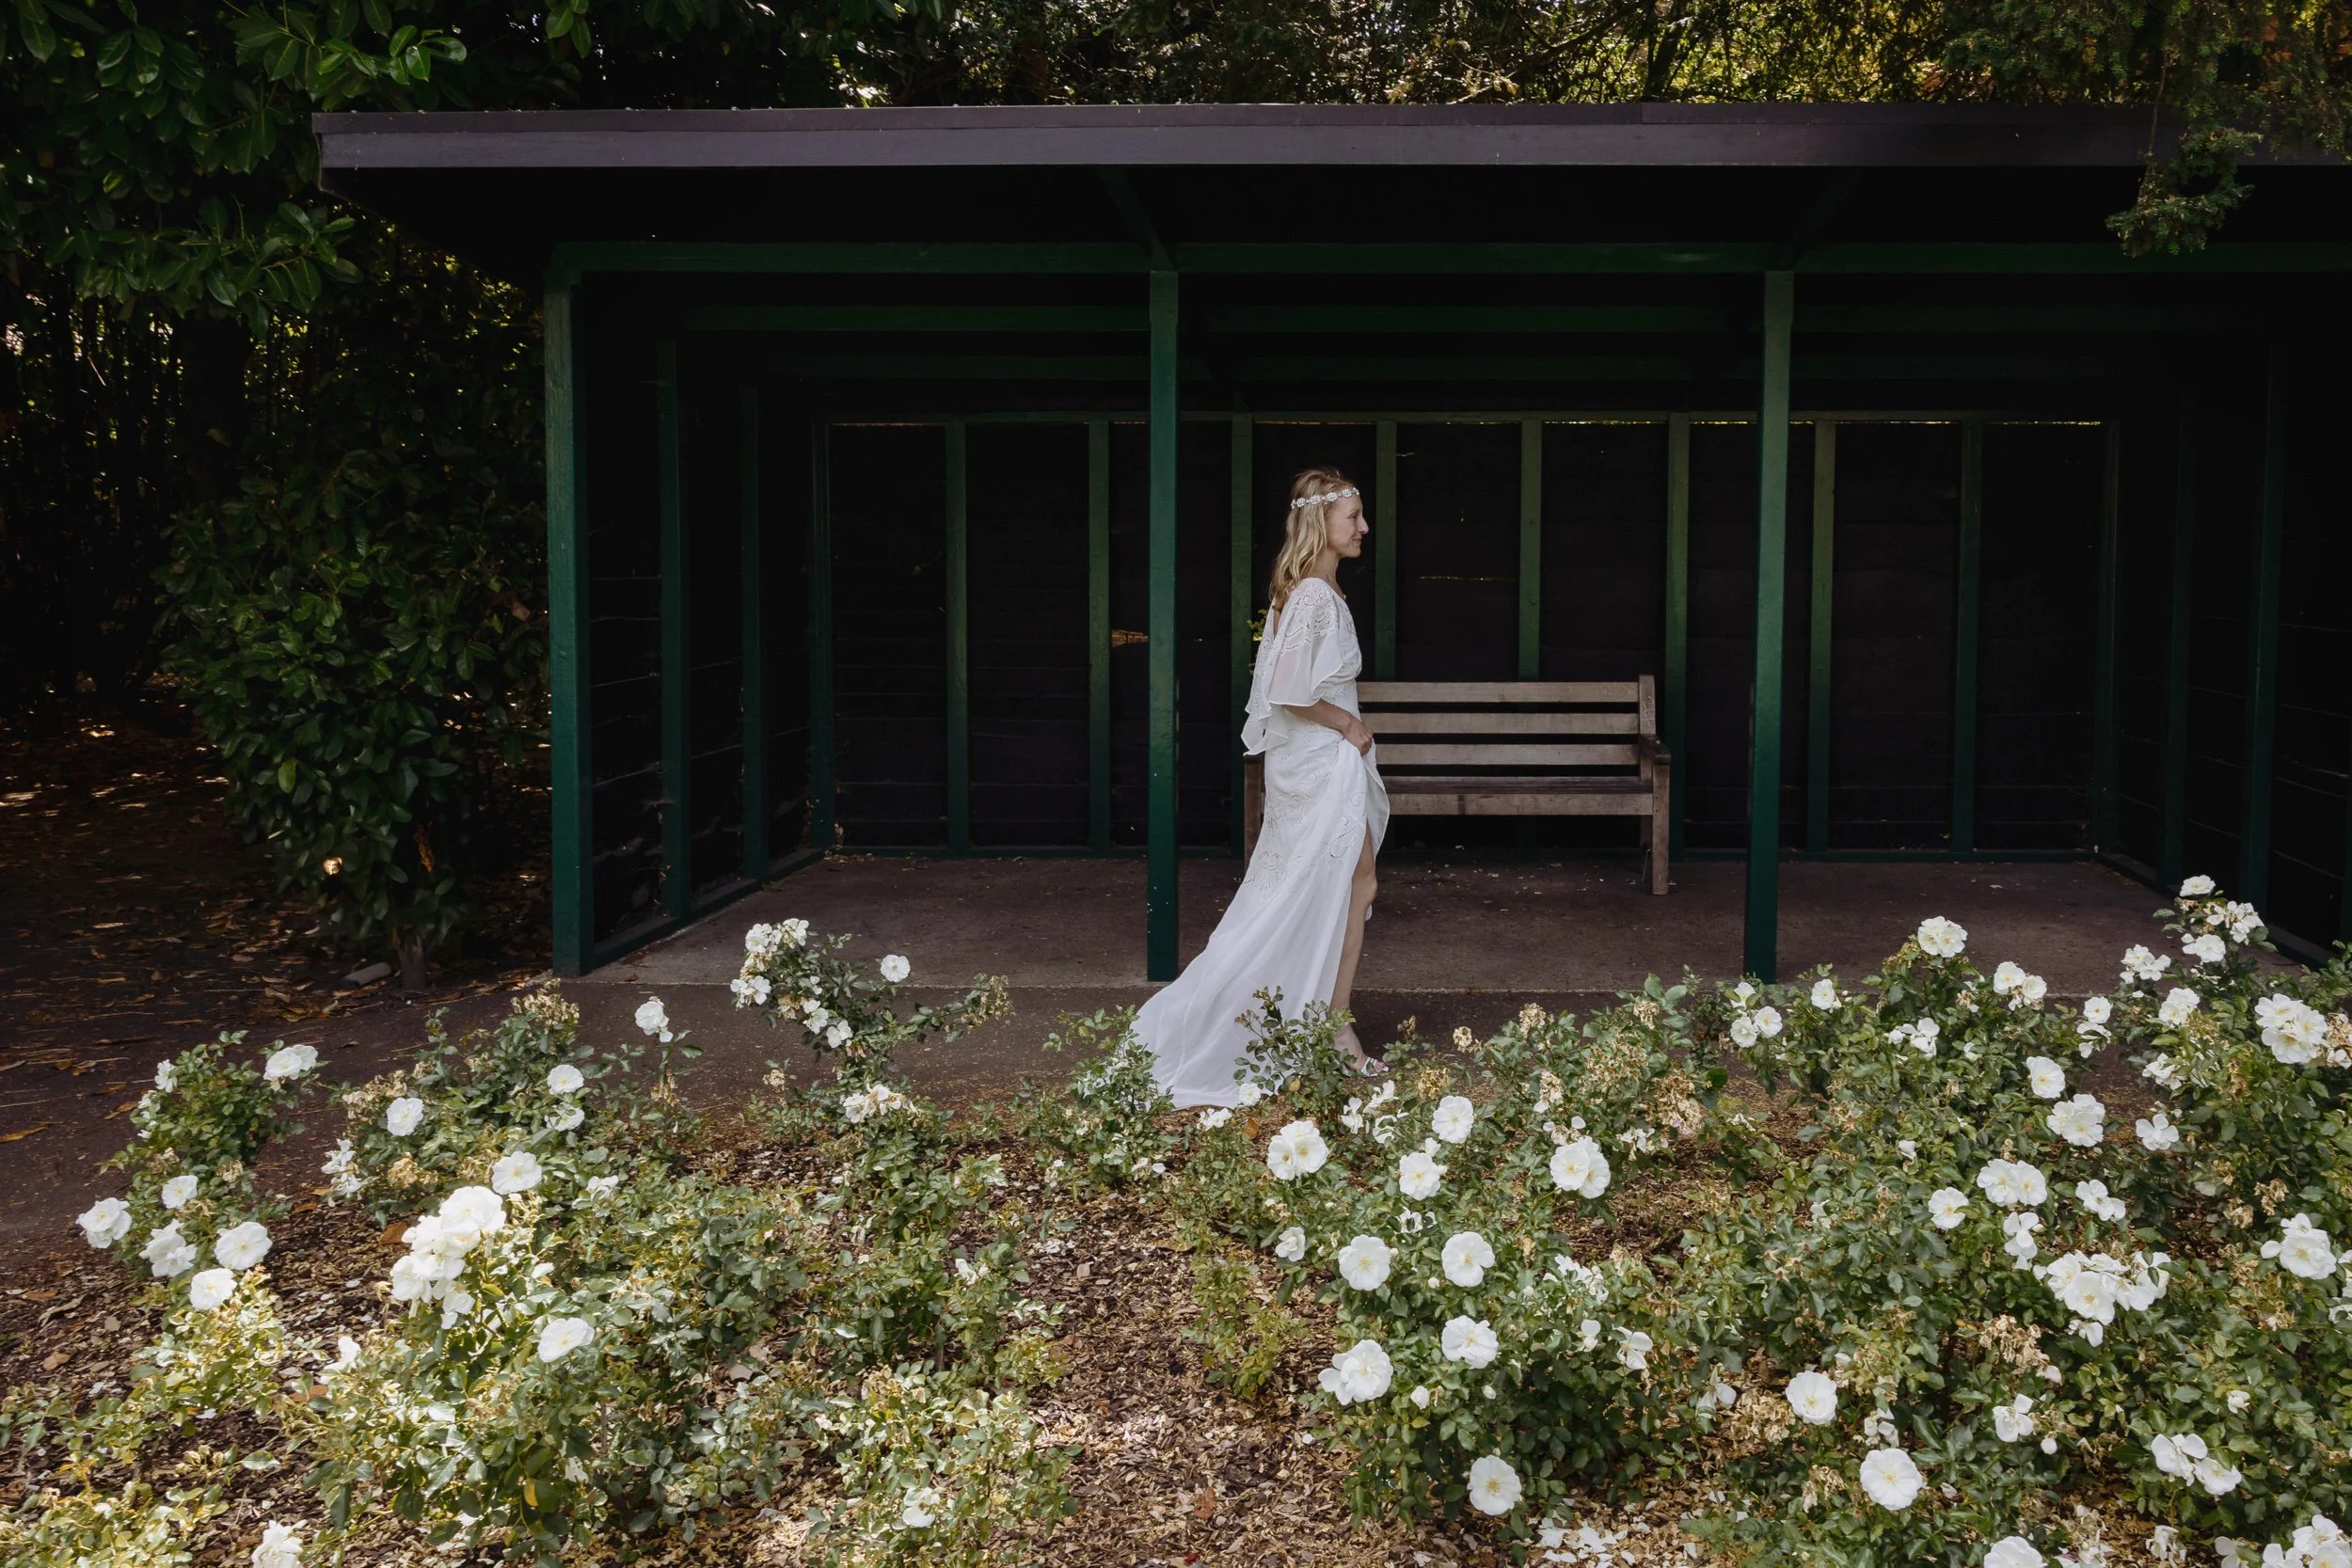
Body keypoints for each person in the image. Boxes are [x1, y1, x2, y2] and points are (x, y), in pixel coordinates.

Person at [1134, 467, 1390, 1107]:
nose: (1364, 527)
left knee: (1342, 887)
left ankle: (1328, 1021)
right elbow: (1287, 690)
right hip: (1319, 761)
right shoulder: (1312, 596)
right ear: (1321, 523)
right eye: (1353, 516)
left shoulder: (1313, 591)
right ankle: (1330, 1028)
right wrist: (1350, 726)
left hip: (1318, 761)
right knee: (1339, 887)